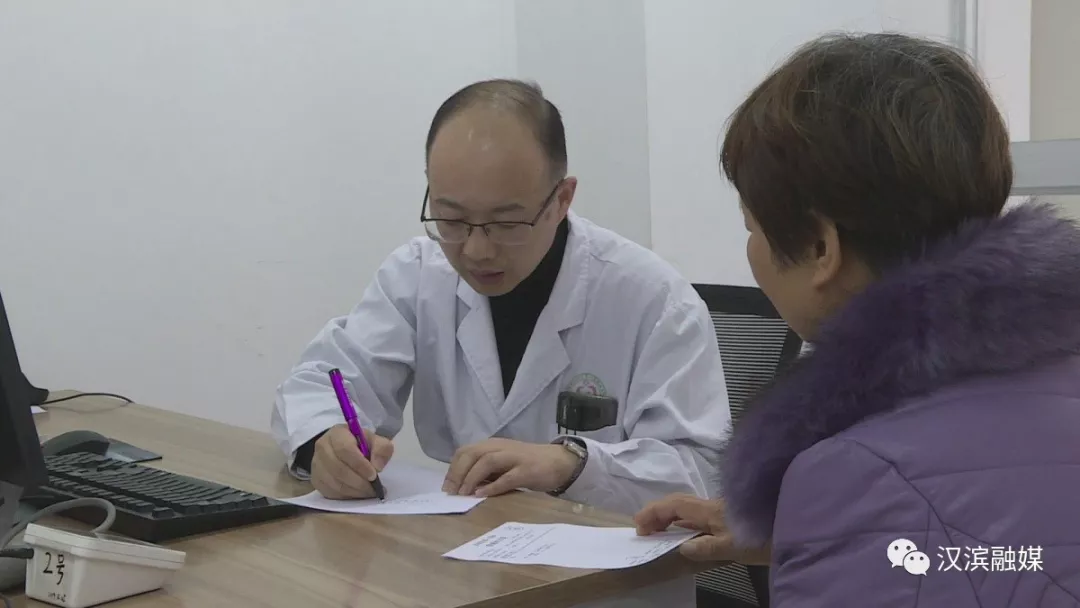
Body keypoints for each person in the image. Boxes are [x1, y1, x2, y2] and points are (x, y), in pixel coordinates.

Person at [635, 32, 1080, 605]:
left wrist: (844, 519)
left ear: (821, 248)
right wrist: (812, 532)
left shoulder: (858, 476)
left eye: (751, 226)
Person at [271, 78, 731, 607]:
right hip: (463, 572)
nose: (476, 250)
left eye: (506, 223)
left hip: (607, 592)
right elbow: (321, 381)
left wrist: (572, 464)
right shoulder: (417, 274)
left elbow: (701, 476)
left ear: (562, 199)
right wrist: (325, 440)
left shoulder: (652, 299)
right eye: (451, 219)